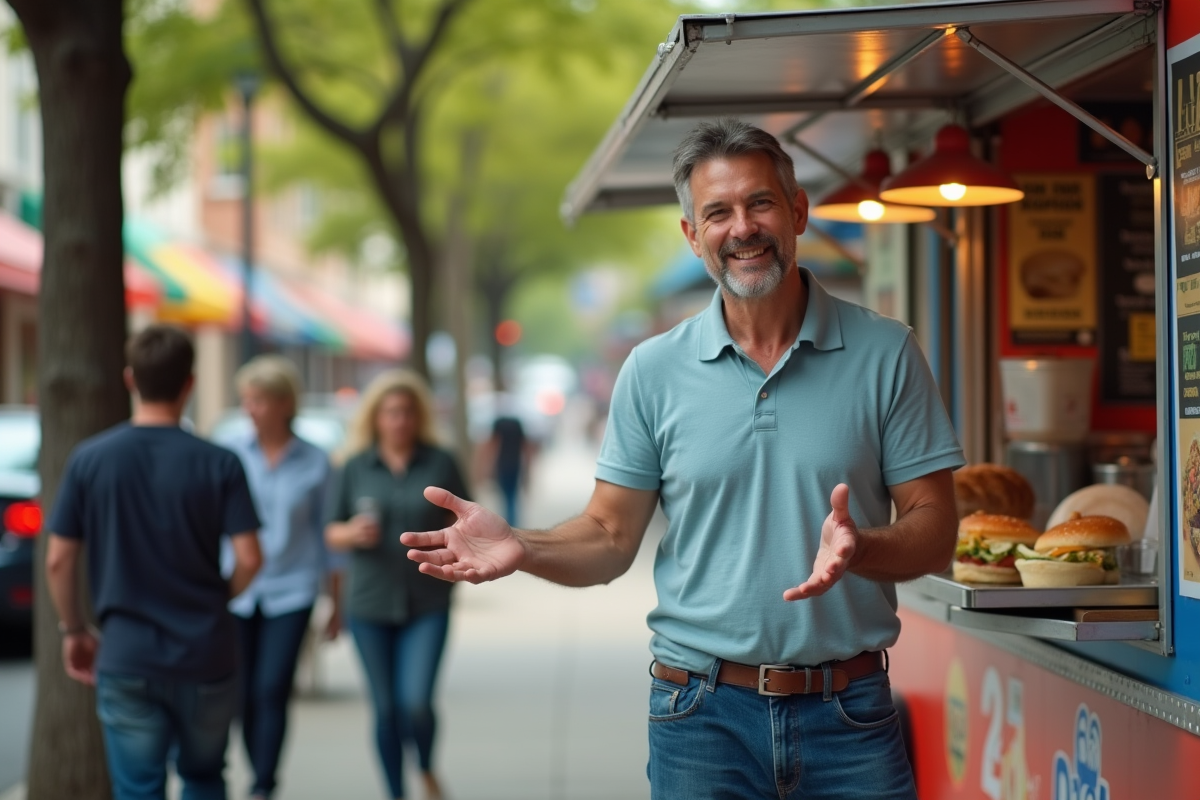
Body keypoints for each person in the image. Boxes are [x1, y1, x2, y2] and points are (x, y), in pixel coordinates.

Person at [401, 119, 964, 800]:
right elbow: (610, 535)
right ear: (693, 236)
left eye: (760, 203)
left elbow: (936, 529)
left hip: (849, 714)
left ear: (798, 212)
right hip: (700, 717)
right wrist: (523, 546)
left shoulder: (886, 352)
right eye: (717, 213)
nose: (742, 228)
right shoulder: (652, 371)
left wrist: (861, 548)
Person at [45, 325, 263, 800]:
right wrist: (218, 597)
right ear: (190, 383)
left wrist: (75, 630)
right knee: (204, 777)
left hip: (127, 655)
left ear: (130, 379)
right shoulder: (221, 462)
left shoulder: (90, 459)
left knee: (139, 788)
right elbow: (250, 557)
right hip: (207, 652)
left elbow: (58, 560)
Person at [325, 369, 469, 800]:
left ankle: (425, 765)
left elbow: (466, 521)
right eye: (391, 412)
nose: (400, 420)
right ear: (375, 417)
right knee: (386, 709)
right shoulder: (355, 465)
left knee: (416, 702)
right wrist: (351, 533)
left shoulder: (440, 462)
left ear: (418, 416)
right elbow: (330, 530)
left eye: (407, 411)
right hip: (369, 603)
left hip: (428, 601)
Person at [220, 355, 339, 800]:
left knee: (272, 687)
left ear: (285, 403)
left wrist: (336, 601)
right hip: (236, 590)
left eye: (259, 400)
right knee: (242, 693)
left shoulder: (316, 461)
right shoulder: (229, 452)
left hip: (293, 589)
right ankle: (259, 773)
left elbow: (328, 535)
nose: (249, 408)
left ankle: (263, 785)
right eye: (246, 400)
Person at [477, 403, 535, 526]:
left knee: (506, 497)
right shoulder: (517, 424)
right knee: (512, 496)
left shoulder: (498, 423)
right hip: (515, 464)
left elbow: (493, 446)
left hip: (502, 465)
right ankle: (513, 523)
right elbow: (525, 446)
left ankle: (509, 524)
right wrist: (528, 467)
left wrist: (488, 466)